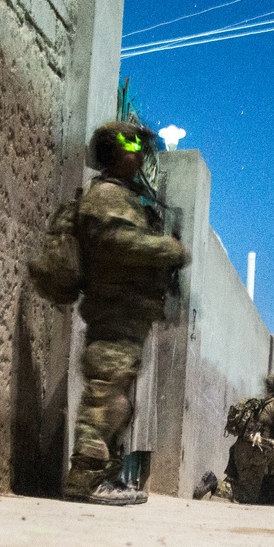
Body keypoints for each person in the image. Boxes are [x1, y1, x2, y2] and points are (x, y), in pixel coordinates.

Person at [64, 122, 189, 505]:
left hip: (127, 313)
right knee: (106, 393)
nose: (138, 152)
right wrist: (165, 249)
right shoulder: (105, 196)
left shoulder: (124, 197)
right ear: (113, 151)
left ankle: (105, 475)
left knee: (118, 399)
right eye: (131, 144)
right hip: (112, 310)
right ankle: (84, 478)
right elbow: (116, 243)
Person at [207, 373, 274, 508]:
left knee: (248, 495)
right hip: (259, 452)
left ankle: (213, 483)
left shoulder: (264, 404)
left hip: (243, 452)